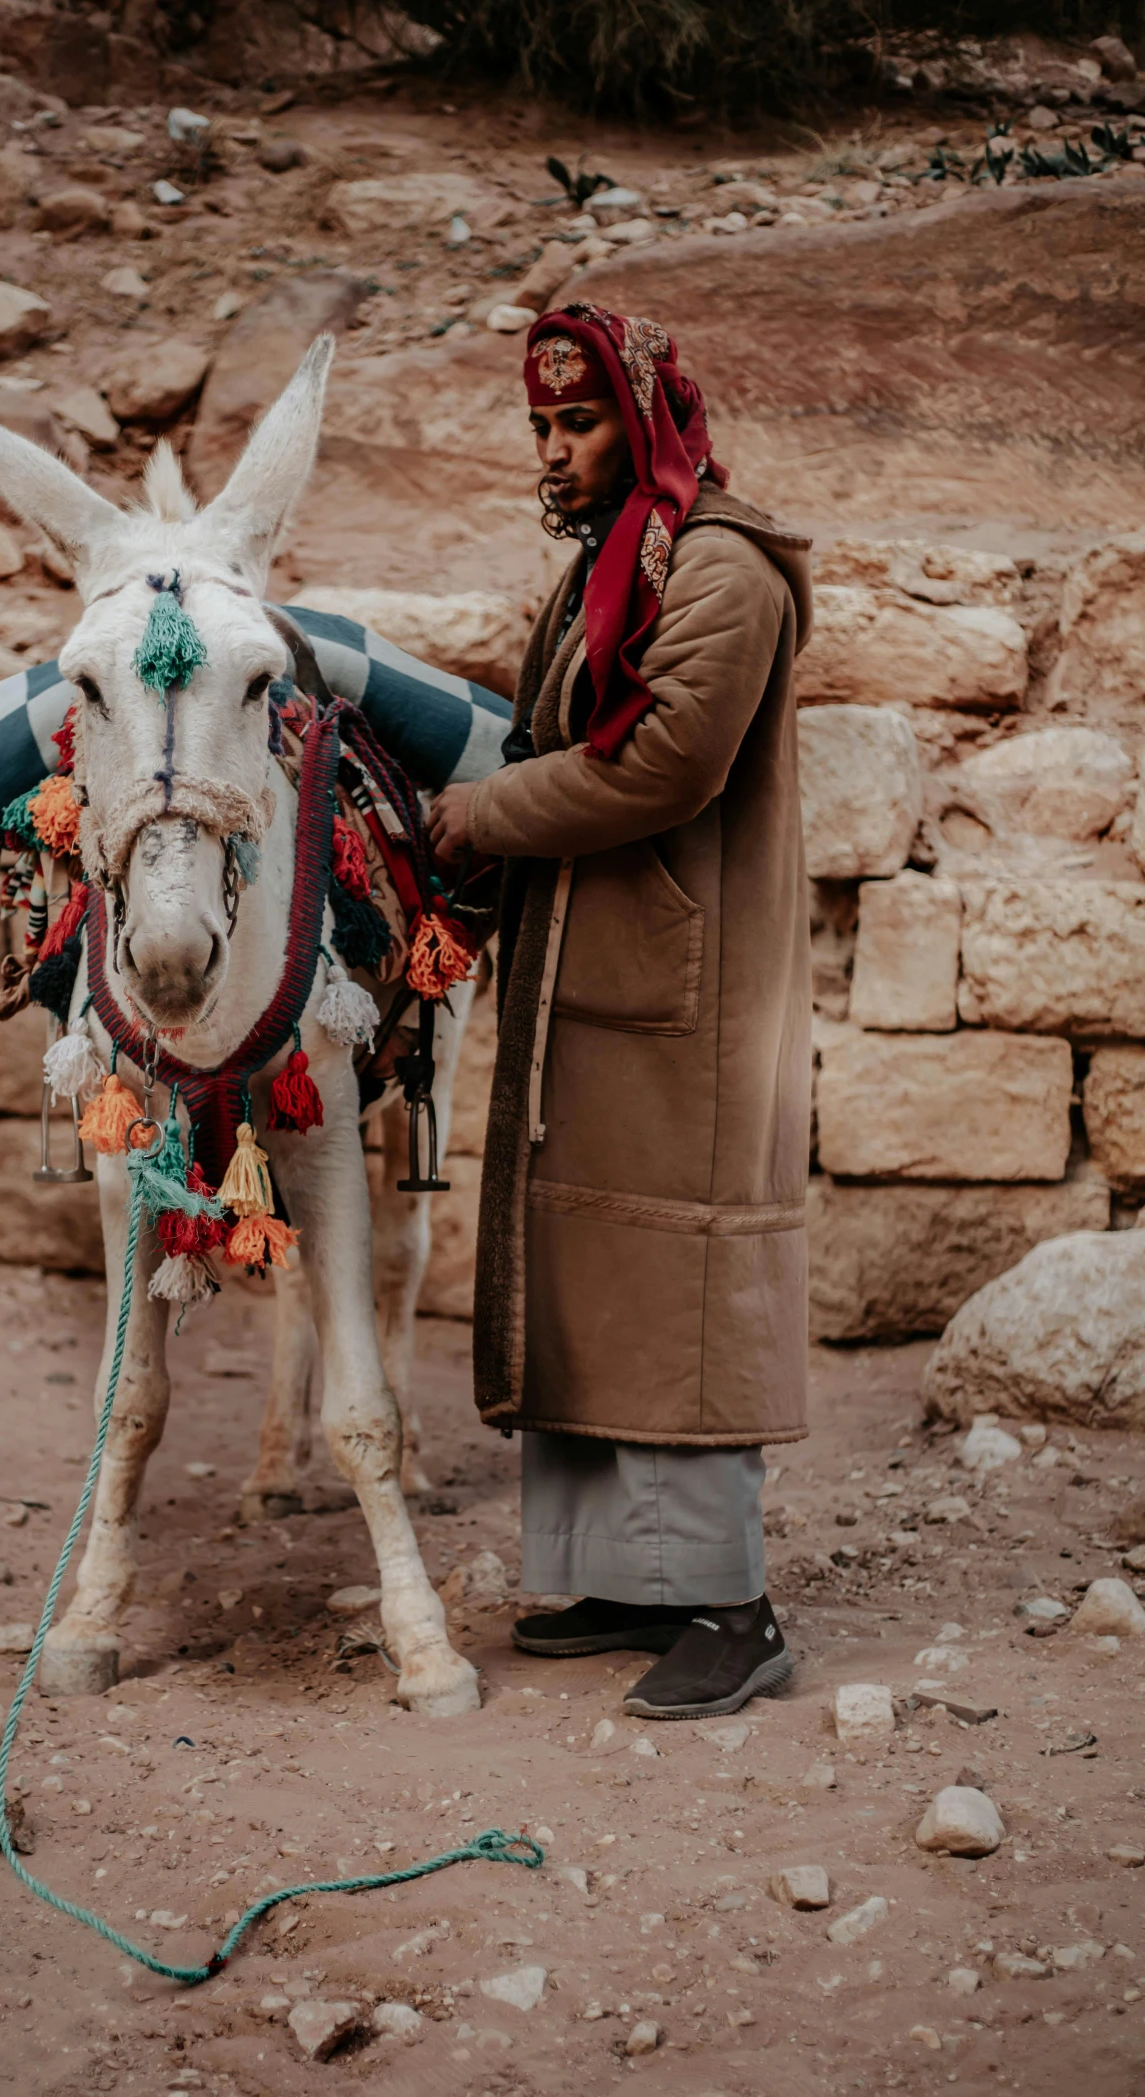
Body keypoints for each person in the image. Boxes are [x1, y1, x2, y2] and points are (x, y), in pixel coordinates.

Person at [427, 303, 812, 1720]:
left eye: (577, 422)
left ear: (647, 421)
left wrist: (475, 814)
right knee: (594, 1275)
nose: (553, 450)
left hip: (690, 996)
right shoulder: (615, 565)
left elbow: (657, 768)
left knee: (682, 1285)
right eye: (539, 424)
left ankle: (732, 1603)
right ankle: (626, 1577)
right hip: (597, 979)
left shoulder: (722, 570)